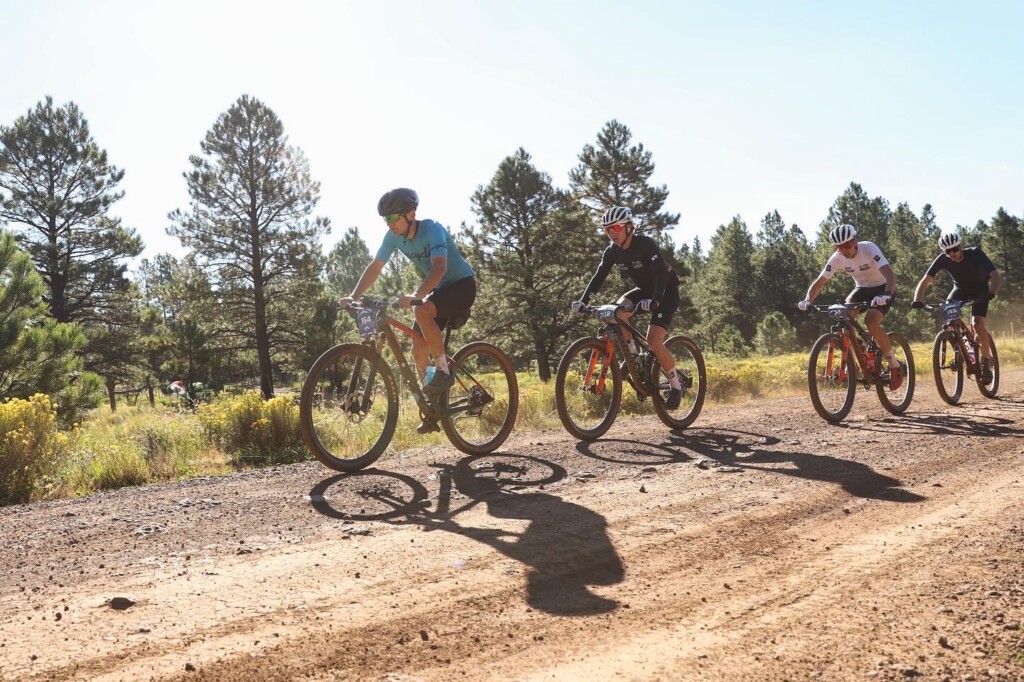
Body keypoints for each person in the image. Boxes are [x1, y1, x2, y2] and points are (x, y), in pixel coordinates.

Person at [339, 188, 477, 433]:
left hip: (461, 286)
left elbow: (439, 268)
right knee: (418, 350)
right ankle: (432, 407)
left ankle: (443, 371)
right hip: (439, 290)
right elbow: (376, 266)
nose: (389, 223)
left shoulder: (432, 229)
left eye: (393, 217)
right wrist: (354, 296)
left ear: (411, 214)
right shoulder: (393, 237)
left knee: (421, 311)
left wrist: (417, 295)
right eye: (386, 218)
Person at [571, 206, 686, 409]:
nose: (611, 233)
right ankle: (634, 357)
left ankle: (676, 386)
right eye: (607, 230)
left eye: (615, 228)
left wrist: (655, 301)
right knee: (618, 311)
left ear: (628, 227)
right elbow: (599, 277)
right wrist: (583, 301)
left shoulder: (646, 245)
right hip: (643, 291)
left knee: (654, 341)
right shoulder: (612, 252)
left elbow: (661, 275)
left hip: (665, 292)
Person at [798, 223, 903, 390]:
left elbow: (890, 274)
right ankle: (856, 358)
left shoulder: (869, 248)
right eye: (839, 247)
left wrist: (887, 294)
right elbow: (818, 284)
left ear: (854, 241)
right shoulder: (837, 258)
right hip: (861, 289)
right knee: (843, 318)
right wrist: (807, 300)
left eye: (846, 245)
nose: (844, 250)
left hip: (883, 288)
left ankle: (894, 364)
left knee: (871, 322)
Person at [911, 230, 1001, 382]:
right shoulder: (942, 259)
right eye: (948, 251)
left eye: (955, 249)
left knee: (978, 325)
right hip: (960, 290)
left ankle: (986, 361)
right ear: (944, 252)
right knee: (951, 319)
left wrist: (992, 292)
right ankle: (962, 348)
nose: (952, 253)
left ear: (961, 245)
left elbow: (995, 275)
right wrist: (917, 299)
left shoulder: (975, 253)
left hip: (980, 290)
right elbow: (926, 280)